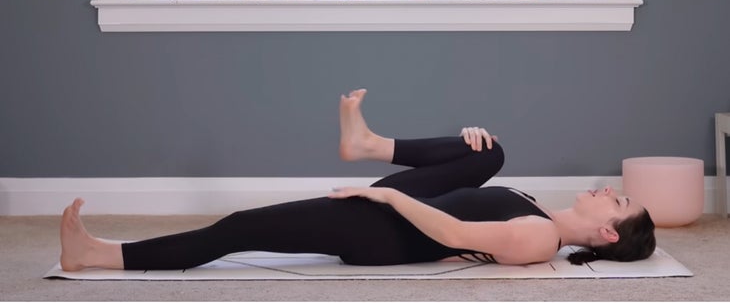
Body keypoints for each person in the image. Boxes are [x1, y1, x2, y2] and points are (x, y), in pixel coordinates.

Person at [59, 89, 655, 272]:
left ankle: (98, 255)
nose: (608, 188)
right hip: (401, 207)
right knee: (490, 150)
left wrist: (385, 193)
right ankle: (367, 144)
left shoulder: (541, 240)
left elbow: (449, 232)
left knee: (240, 229)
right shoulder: (534, 208)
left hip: (388, 234)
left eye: (618, 200)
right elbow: (461, 194)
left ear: (606, 231)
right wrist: (465, 146)